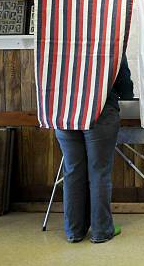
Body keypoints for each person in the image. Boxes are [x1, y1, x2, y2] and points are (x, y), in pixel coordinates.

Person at [55, 56, 134, 243]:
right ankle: (101, 230)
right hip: (100, 110)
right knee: (99, 171)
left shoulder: (57, 42)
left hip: (63, 109)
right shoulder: (108, 40)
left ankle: (74, 231)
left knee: (73, 170)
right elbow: (126, 89)